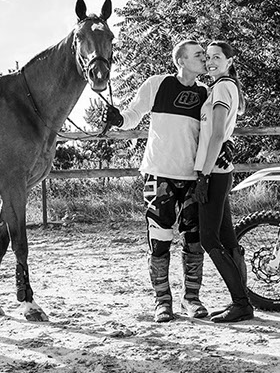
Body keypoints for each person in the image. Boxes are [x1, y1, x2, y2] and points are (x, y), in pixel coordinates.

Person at [104, 40, 210, 323]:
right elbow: (132, 116)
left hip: (192, 177)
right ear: (181, 60)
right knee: (160, 241)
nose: (204, 58)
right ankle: (162, 301)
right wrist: (117, 119)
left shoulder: (205, 92)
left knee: (194, 241)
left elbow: (213, 132)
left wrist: (206, 174)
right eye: (198, 54)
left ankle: (192, 299)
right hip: (159, 174)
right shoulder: (157, 84)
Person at [193, 40, 252, 323]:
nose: (210, 61)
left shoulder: (221, 87)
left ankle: (241, 303)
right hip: (219, 169)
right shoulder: (223, 86)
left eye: (217, 57)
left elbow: (217, 135)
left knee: (209, 238)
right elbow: (220, 134)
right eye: (208, 57)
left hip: (214, 172)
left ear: (230, 61)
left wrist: (203, 175)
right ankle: (241, 301)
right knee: (227, 239)